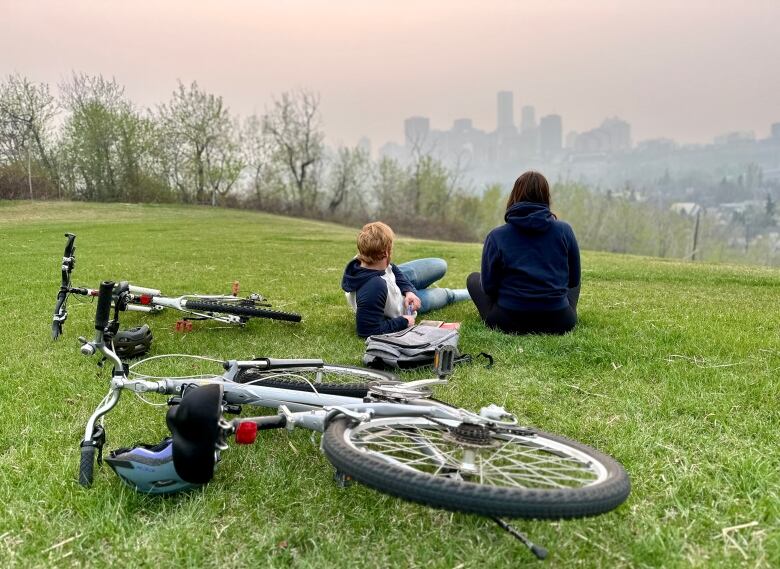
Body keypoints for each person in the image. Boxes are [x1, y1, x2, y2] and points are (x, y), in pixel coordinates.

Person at [467, 171, 581, 335]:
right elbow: (573, 281)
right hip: (559, 321)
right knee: (574, 276)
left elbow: (489, 288)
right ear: (546, 197)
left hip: (507, 321)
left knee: (473, 279)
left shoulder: (496, 236)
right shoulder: (565, 231)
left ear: (514, 196)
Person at [341, 221, 470, 337]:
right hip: (405, 306)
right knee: (448, 295)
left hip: (400, 289)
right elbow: (367, 330)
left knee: (440, 265)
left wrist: (409, 291)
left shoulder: (365, 258)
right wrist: (404, 321)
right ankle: (474, 291)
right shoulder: (373, 287)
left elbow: (392, 268)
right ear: (386, 252)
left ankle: (411, 290)